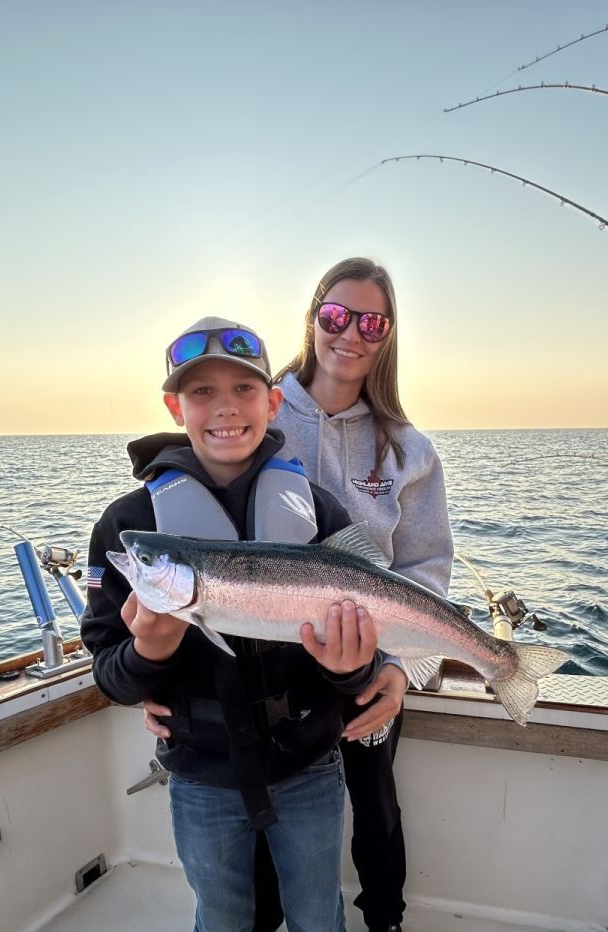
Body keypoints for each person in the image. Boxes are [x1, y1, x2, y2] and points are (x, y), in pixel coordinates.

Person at [149, 258, 453, 932]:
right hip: (260, 679)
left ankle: (386, 922)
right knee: (260, 830)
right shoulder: (252, 397)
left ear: (390, 333)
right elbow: (180, 521)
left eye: (372, 321)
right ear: (313, 317)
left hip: (367, 662)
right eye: (337, 316)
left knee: (376, 808)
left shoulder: (409, 450)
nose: (352, 334)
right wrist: (156, 671)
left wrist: (405, 670)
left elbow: (427, 569)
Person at [79, 316, 385, 932]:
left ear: (273, 403)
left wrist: (358, 668)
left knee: (318, 917)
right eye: (201, 392)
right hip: (201, 771)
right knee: (219, 918)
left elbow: (363, 667)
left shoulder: (317, 510)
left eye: (244, 390)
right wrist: (148, 652)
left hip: (310, 762)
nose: (225, 408)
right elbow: (112, 677)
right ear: (174, 405)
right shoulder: (128, 524)